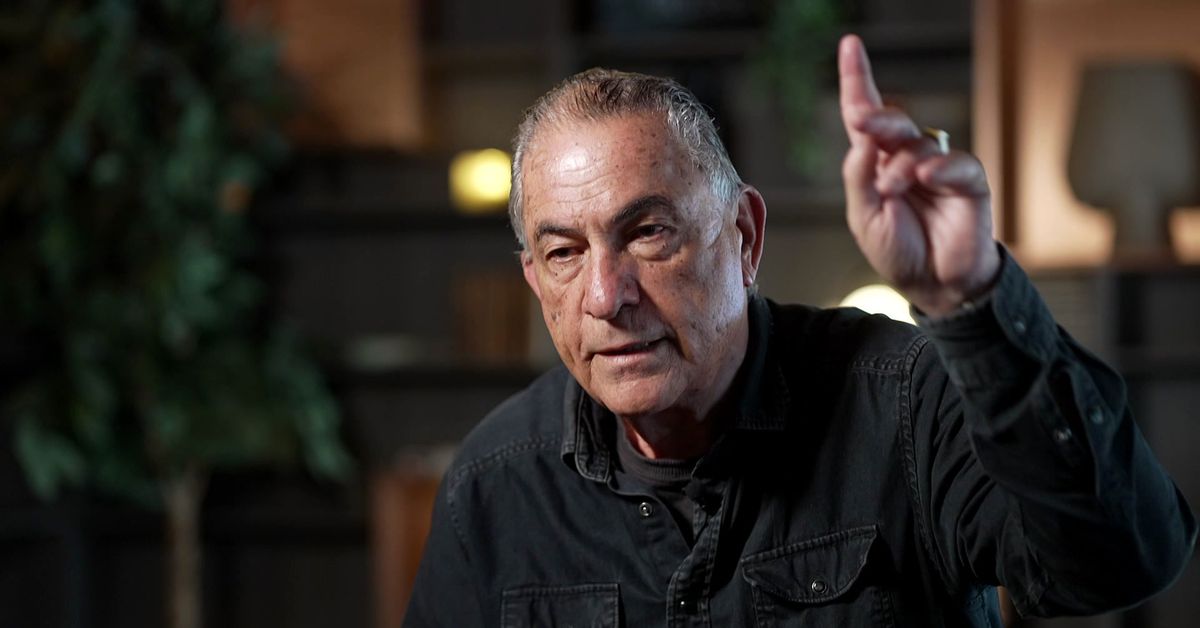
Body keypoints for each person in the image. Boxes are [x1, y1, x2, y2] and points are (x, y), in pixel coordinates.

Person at [404, 35, 1196, 626]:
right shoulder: (494, 485)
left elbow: (1122, 561)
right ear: (535, 281)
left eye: (648, 233)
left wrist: (975, 295)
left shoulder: (907, 404)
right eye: (565, 253)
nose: (607, 296)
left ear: (745, 236)